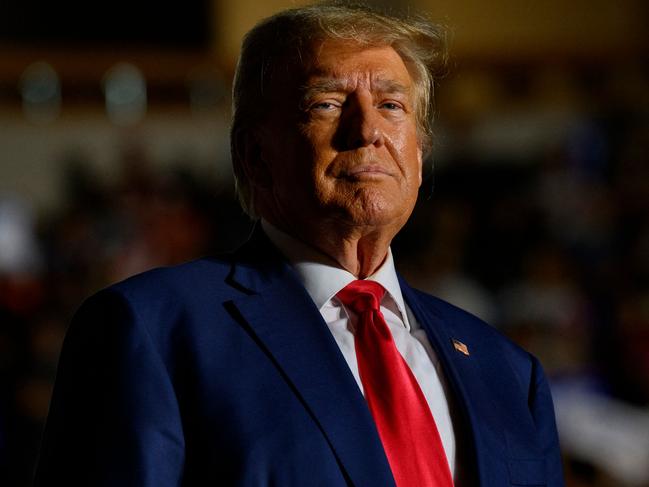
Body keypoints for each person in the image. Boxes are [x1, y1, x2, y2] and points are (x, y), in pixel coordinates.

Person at [34, 4, 564, 486]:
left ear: (420, 157)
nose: (368, 130)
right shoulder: (150, 330)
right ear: (255, 155)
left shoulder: (508, 373)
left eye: (392, 105)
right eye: (328, 103)